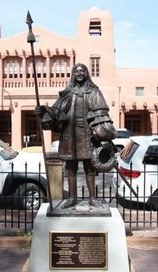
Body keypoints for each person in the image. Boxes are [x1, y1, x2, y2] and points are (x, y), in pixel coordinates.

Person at [35, 63, 117, 208]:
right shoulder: (67, 93)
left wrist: (101, 132)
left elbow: (101, 113)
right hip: (69, 135)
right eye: (77, 71)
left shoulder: (94, 92)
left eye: (82, 71)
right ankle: (72, 198)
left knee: (90, 168)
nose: (79, 73)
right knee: (71, 168)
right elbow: (56, 112)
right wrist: (43, 112)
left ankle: (92, 198)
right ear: (73, 74)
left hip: (87, 136)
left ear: (86, 73)